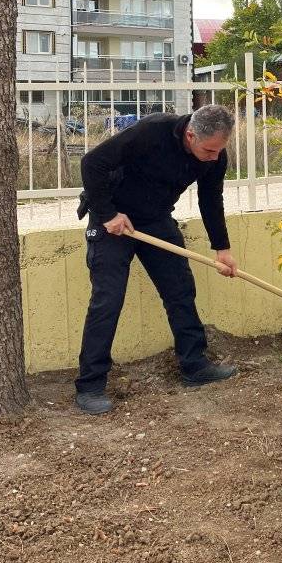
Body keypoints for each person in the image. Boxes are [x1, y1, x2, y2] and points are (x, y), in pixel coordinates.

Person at [74, 105, 240, 414]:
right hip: (113, 220)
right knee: (107, 299)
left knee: (180, 290)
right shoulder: (152, 132)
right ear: (191, 135)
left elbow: (210, 198)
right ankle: (91, 384)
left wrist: (222, 248)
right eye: (209, 150)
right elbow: (92, 163)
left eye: (220, 150)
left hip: (156, 220)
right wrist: (108, 214)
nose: (215, 157)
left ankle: (195, 365)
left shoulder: (214, 156)